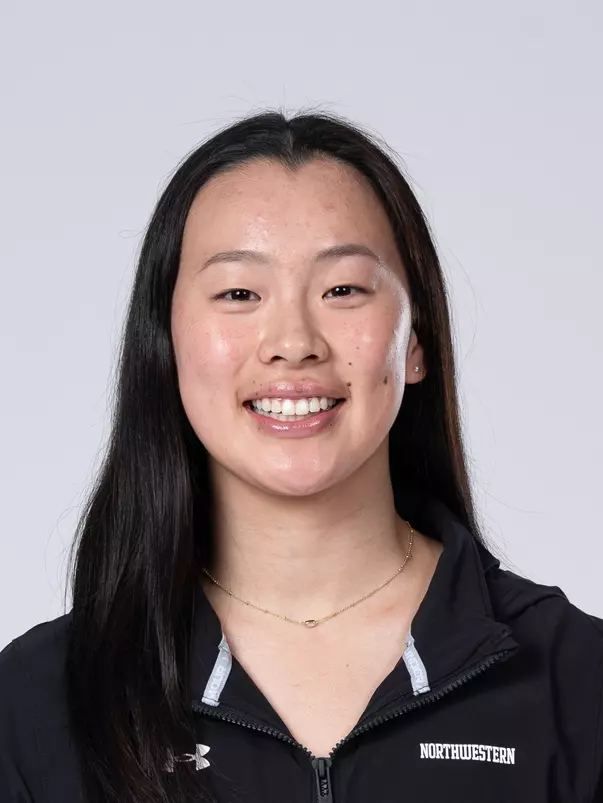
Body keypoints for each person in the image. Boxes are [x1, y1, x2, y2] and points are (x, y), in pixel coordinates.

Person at [0, 109, 601, 803]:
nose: (292, 340)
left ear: (413, 340)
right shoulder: (40, 705)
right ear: (165, 345)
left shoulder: (574, 681)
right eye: (238, 293)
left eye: (342, 289)